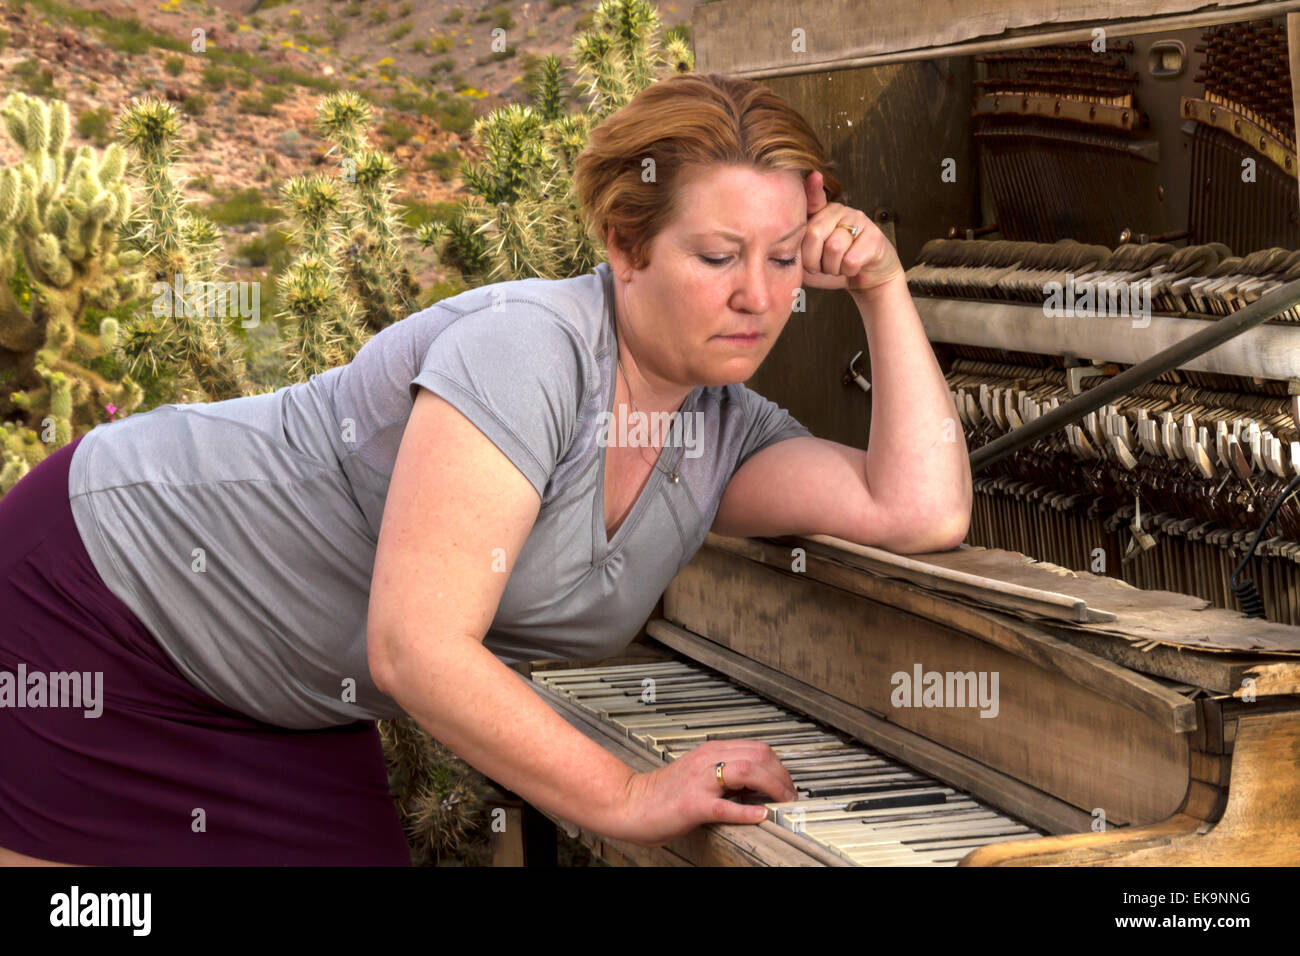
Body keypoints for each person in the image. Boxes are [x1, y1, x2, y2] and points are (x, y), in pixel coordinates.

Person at [0, 72, 971, 866]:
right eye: (718, 255)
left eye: (786, 257)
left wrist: (883, 289)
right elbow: (418, 648)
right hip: (106, 597)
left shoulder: (722, 429)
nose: (757, 296)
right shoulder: (525, 352)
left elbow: (916, 507)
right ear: (623, 245)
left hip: (285, 695)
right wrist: (628, 791)